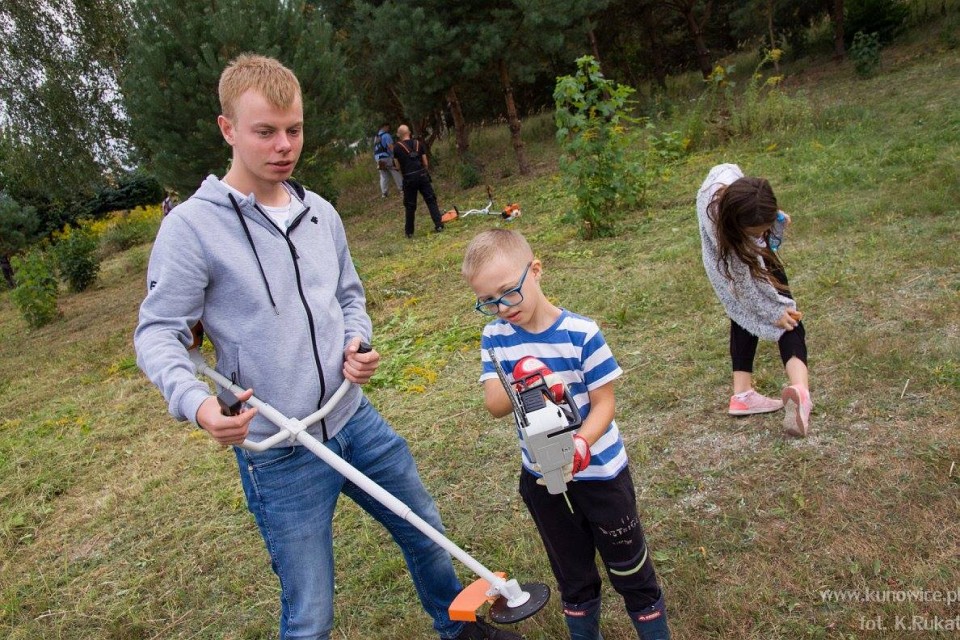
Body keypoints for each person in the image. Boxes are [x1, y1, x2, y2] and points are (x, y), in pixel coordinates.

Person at [134, 54, 522, 640]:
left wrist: (356, 340)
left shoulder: (320, 214)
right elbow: (157, 333)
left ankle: (458, 626)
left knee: (422, 526)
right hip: (280, 450)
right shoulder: (191, 229)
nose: (283, 145)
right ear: (227, 129)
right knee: (310, 609)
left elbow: (348, 295)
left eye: (294, 129)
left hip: (352, 418)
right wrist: (197, 404)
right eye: (265, 131)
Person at [461, 228, 671, 640]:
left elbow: (604, 404)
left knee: (630, 569)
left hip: (600, 474)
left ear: (535, 271)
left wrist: (581, 442)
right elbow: (494, 406)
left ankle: (652, 627)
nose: (502, 308)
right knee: (572, 574)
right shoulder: (495, 338)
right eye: (488, 301)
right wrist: (523, 378)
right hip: (543, 477)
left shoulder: (582, 333)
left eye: (508, 292)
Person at [696, 163, 813, 436]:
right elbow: (745, 287)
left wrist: (773, 217)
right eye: (757, 231)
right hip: (729, 266)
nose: (763, 233)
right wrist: (773, 311)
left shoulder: (736, 185)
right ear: (739, 226)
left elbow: (753, 205)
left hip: (734, 252)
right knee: (786, 314)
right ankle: (801, 392)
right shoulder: (726, 236)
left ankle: (742, 395)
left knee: (742, 315)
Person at [393, 124, 445, 238]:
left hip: (409, 178)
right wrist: (423, 171)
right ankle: (439, 224)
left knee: (410, 205)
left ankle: (409, 232)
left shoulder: (396, 147)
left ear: (399, 135)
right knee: (431, 200)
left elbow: (397, 166)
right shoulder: (418, 144)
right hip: (422, 175)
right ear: (409, 132)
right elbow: (425, 162)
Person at [374, 122, 403, 198]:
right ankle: (402, 188)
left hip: (378, 159)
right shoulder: (386, 135)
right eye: (388, 127)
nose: (388, 129)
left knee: (383, 175)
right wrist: (396, 156)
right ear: (385, 127)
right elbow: (391, 147)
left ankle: (384, 193)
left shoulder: (376, 137)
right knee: (395, 171)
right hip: (386, 157)